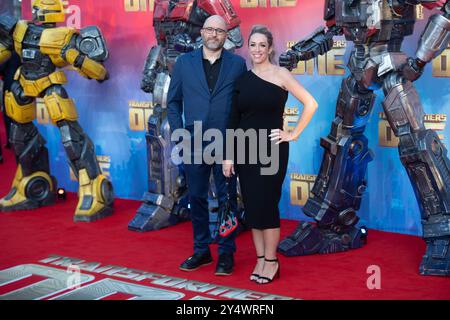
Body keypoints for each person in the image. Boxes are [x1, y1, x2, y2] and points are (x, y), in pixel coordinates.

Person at [223, 25, 318, 284]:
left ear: (270, 48)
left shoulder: (281, 74)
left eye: (261, 45)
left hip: (271, 151)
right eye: (252, 45)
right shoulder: (242, 80)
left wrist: (293, 134)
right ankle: (260, 259)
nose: (256, 50)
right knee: (253, 208)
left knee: (267, 205)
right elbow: (233, 119)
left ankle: (272, 261)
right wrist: (229, 156)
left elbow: (311, 103)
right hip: (245, 150)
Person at [167, 15, 247, 276]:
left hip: (226, 142)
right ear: (202, 32)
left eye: (220, 31)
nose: (214, 34)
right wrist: (179, 133)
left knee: (227, 199)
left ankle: (226, 252)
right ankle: (201, 250)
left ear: (226, 36)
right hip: (193, 141)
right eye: (210, 29)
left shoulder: (237, 64)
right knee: (197, 197)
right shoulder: (183, 63)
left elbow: (241, 107)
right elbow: (173, 102)